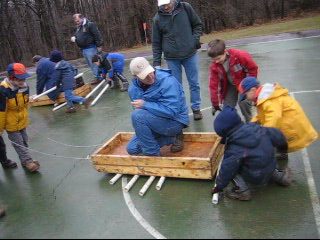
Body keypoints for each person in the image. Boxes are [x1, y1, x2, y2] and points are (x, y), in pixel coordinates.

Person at [211, 106, 291, 201]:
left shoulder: (234, 148)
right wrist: (283, 150)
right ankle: (281, 177)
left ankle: (243, 191)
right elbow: (278, 135)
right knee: (264, 160)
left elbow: (227, 170)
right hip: (271, 165)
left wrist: (218, 187)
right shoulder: (256, 128)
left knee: (232, 169)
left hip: (255, 176)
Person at [127, 57, 189, 156]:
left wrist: (145, 104)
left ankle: (152, 154)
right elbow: (142, 115)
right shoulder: (133, 89)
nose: (150, 77)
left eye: (150, 72)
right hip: (154, 122)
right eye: (145, 76)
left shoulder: (168, 82)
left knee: (137, 116)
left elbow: (172, 111)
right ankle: (172, 138)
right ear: (135, 76)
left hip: (174, 121)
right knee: (132, 149)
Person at [152, 0, 203, 120]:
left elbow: (197, 25)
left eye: (167, 4)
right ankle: (181, 111)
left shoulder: (186, 8)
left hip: (190, 54)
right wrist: (156, 63)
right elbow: (156, 43)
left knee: (194, 83)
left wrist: (194, 41)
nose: (166, 7)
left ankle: (196, 108)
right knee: (176, 86)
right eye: (163, 6)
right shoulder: (157, 19)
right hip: (172, 58)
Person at [239, 77, 318, 154]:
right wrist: (251, 124)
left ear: (253, 90)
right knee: (278, 149)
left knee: (275, 150)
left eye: (245, 95)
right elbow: (263, 115)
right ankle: (282, 166)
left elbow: (273, 118)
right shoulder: (265, 96)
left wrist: (264, 135)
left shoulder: (268, 100)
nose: (246, 98)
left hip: (292, 130)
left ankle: (281, 167)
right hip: (290, 126)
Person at [0, 63, 40, 172]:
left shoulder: (25, 87)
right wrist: (0, 129)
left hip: (22, 120)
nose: (22, 81)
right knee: (19, 144)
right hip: (11, 123)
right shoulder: (4, 90)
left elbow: (25, 104)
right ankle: (28, 162)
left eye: (23, 78)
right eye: (19, 79)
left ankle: (24, 160)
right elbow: (1, 112)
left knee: (24, 141)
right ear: (11, 77)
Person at [208, 39, 258, 122]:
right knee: (227, 110)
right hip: (230, 85)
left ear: (224, 51)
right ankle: (237, 126)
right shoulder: (214, 66)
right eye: (213, 60)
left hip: (244, 83)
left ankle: (251, 123)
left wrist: (249, 86)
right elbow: (213, 85)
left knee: (243, 102)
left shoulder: (239, 55)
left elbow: (253, 69)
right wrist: (215, 103)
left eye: (218, 58)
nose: (216, 61)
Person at [71, 14, 103, 84]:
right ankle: (97, 76)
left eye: (78, 21)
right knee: (90, 64)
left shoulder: (90, 25)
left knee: (94, 63)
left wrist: (99, 46)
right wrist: (75, 38)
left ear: (82, 18)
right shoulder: (78, 27)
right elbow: (79, 35)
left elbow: (97, 35)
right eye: (76, 21)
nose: (77, 22)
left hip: (91, 47)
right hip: (83, 49)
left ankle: (98, 77)